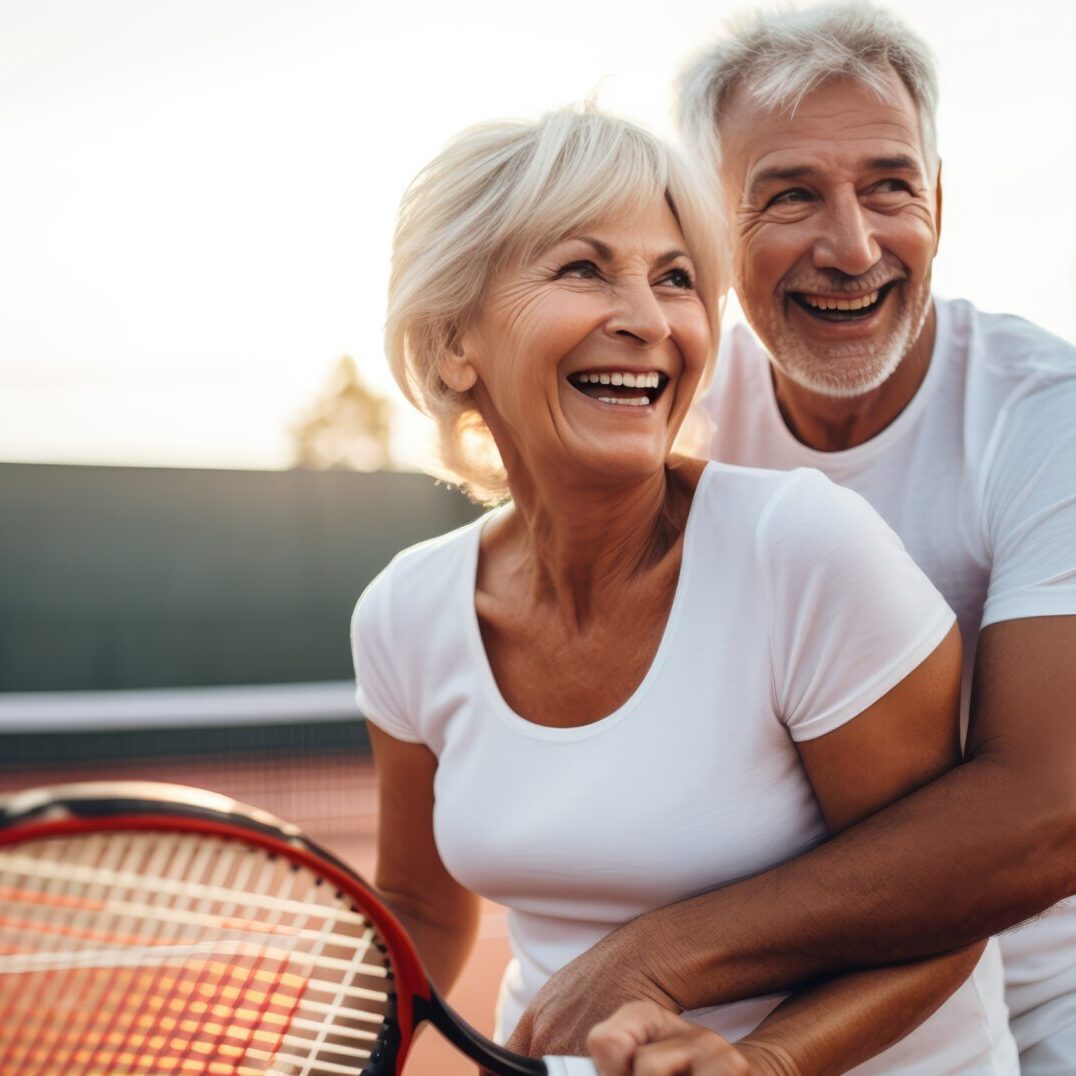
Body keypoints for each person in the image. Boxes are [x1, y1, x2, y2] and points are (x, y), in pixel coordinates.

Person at [352, 106, 1019, 1073]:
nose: (650, 320)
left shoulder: (802, 550)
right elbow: (414, 907)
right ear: (457, 341)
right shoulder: (405, 613)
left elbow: (951, 901)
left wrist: (766, 1061)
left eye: (677, 280)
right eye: (584, 269)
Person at [504, 5, 1076, 1074]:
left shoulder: (1049, 418)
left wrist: (658, 953)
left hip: (1036, 1008)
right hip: (722, 1015)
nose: (851, 246)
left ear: (938, 204)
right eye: (789, 195)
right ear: (703, 229)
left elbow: (1049, 810)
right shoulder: (660, 404)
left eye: (889, 186)